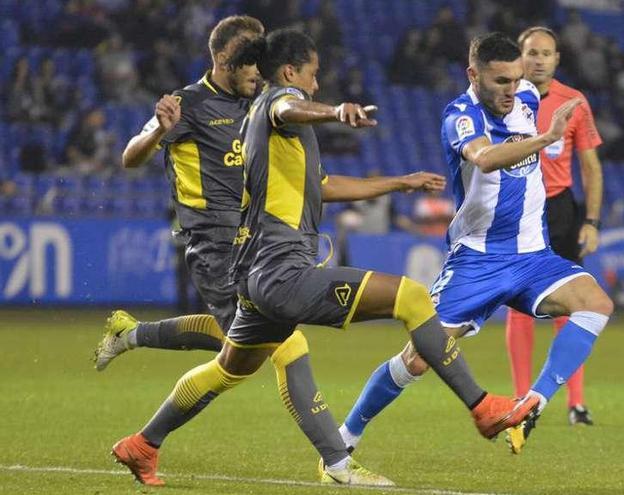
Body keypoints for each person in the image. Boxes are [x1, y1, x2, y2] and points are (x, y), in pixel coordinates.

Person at [109, 28, 538, 488]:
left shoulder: (255, 118)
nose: (316, 84)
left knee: (233, 366)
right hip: (281, 272)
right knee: (413, 298)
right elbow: (288, 104)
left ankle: (143, 443)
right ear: (292, 72)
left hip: (254, 277)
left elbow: (321, 186)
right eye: (313, 75)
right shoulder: (279, 102)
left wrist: (397, 183)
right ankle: (481, 409)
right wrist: (335, 111)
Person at [339, 32, 614, 456]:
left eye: (516, 79)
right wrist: (544, 139)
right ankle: (345, 438)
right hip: (478, 260)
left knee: (596, 303)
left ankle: (533, 401)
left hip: (533, 256)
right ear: (474, 74)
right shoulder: (460, 115)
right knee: (418, 357)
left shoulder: (527, 97)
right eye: (500, 81)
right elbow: (484, 158)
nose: (512, 89)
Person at [92, 15, 266, 371]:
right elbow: (130, 157)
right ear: (222, 58)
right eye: (249, 57)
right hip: (213, 239)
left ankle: (130, 334)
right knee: (253, 342)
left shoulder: (258, 102)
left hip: (254, 237)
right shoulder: (187, 104)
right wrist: (158, 133)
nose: (257, 68)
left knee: (252, 337)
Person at [505, 26, 605, 428]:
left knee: (573, 306)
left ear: (557, 58)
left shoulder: (575, 102)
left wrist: (592, 221)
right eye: (532, 52)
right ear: (520, 56)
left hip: (560, 211)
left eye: (547, 53)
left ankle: (575, 404)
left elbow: (591, 168)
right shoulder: (506, 99)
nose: (539, 59)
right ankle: (519, 398)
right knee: (519, 307)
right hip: (519, 209)